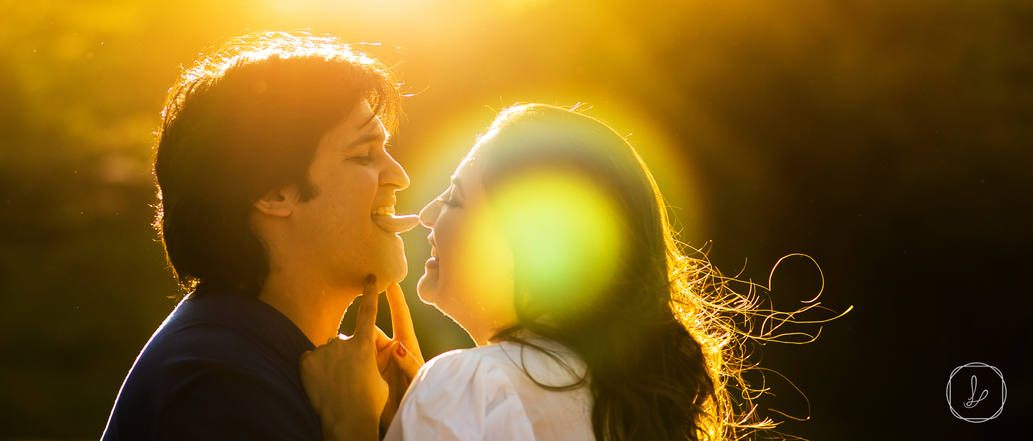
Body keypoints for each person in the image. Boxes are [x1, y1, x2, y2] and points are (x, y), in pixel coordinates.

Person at [305, 103, 767, 441]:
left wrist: (351, 426)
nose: (426, 215)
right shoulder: (618, 401)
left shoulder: (473, 388)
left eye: (454, 199)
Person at [101, 32, 425, 441]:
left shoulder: (288, 364)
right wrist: (353, 430)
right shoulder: (219, 383)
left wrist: (407, 424)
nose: (399, 176)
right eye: (363, 155)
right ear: (273, 193)